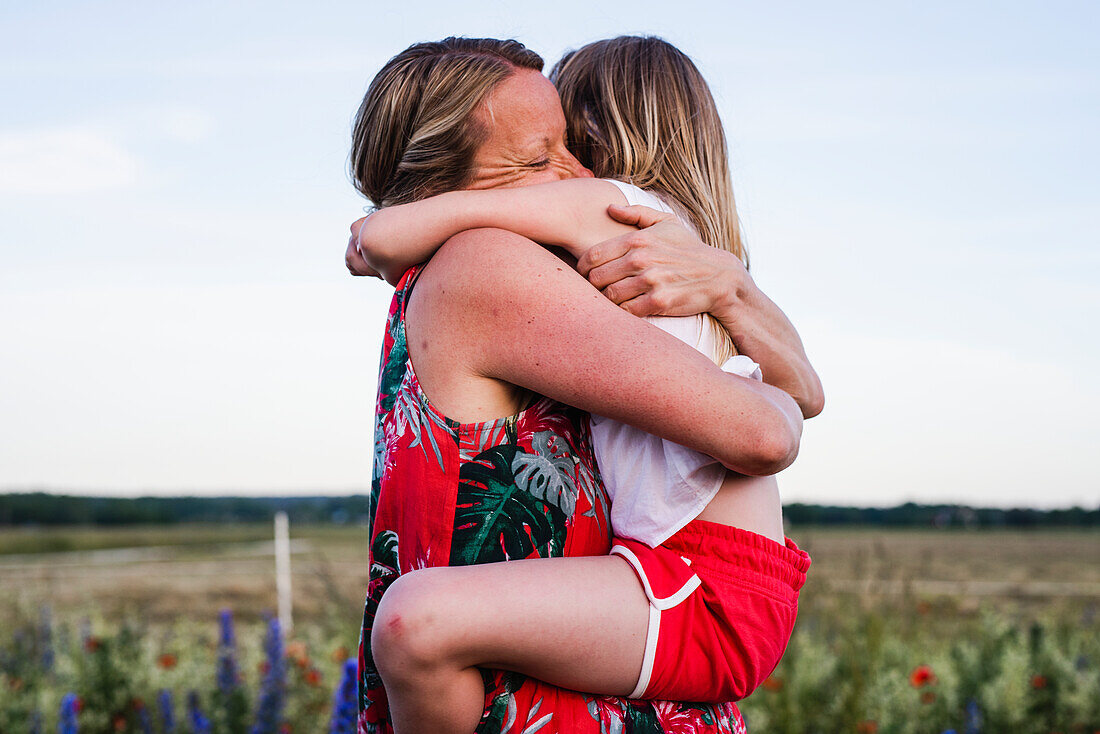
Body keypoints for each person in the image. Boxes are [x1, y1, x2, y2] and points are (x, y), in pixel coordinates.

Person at [346, 36, 822, 734]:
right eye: (539, 157)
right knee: (419, 623)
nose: (572, 175)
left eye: (574, 145)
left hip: (692, 587)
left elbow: (787, 410)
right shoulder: (492, 263)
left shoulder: (612, 227)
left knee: (420, 623)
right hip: (682, 588)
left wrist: (732, 295)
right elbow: (789, 409)